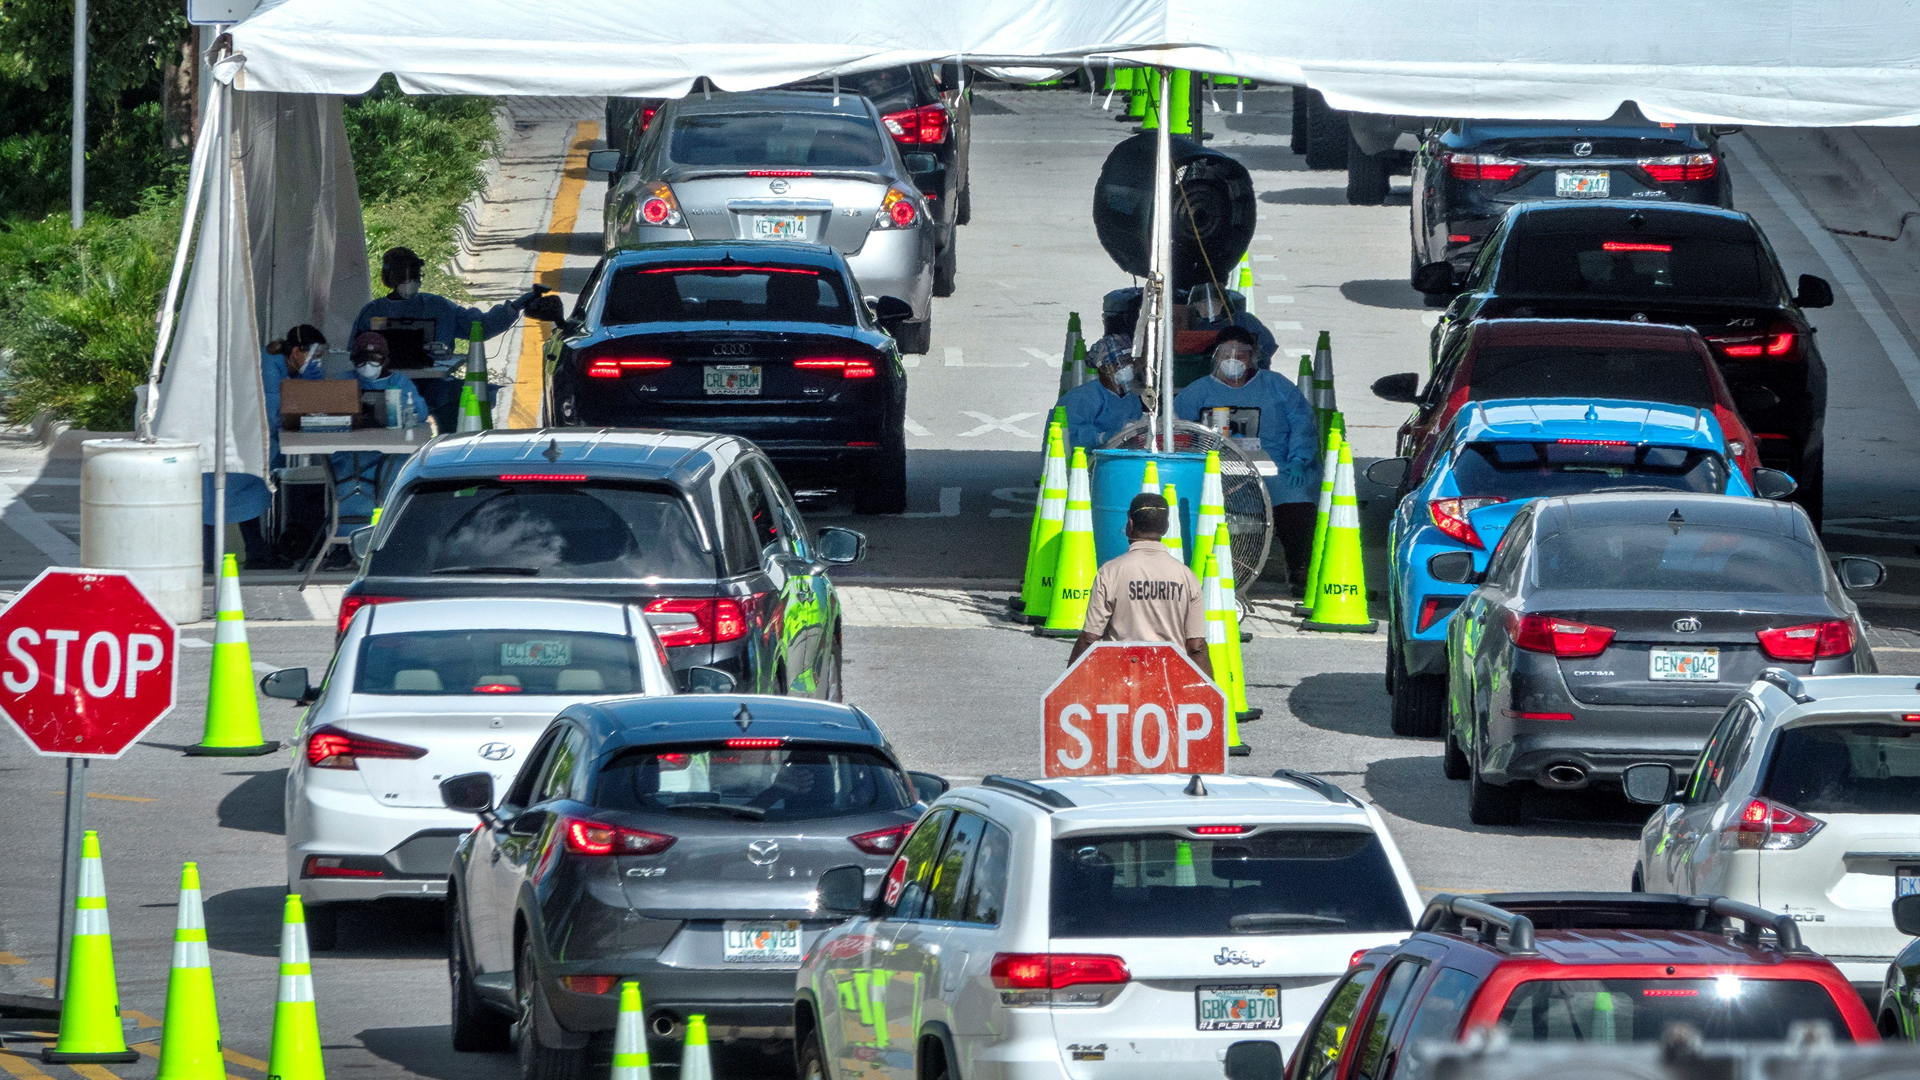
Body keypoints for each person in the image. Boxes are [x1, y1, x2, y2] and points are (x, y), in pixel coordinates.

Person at [1173, 325, 1320, 592]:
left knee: (1297, 500)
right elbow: (1178, 429)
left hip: (1276, 468)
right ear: (1215, 356)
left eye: (1240, 354)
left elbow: (1302, 422)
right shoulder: (1198, 392)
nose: (1233, 360)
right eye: (1226, 353)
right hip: (1216, 469)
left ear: (1252, 356)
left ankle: (1300, 568)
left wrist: (1299, 458)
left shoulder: (1276, 386)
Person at [351, 246, 545, 429]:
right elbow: (354, 353)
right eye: (403, 275)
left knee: (468, 398)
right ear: (388, 277)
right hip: (385, 385)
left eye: (415, 274)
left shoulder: (438, 306)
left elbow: (480, 327)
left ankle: (452, 448)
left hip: (434, 386)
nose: (410, 280)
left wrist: (514, 307)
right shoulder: (372, 312)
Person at [1069, 493, 1213, 678]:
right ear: (1166, 527)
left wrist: (1069, 681)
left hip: (1122, 676)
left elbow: (1090, 638)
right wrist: (1209, 690)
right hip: (1169, 678)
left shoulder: (1110, 572)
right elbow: (1196, 646)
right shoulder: (1187, 577)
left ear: (1130, 524)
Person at [1057, 334, 1146, 450]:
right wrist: (1103, 437)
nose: (1127, 367)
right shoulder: (1084, 397)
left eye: (1128, 362)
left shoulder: (1131, 397)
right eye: (1120, 363)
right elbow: (1072, 434)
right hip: (1084, 458)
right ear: (1104, 368)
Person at [1186, 282, 1279, 370]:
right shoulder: (1190, 324)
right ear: (1195, 305)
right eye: (1203, 302)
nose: (1209, 306)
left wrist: (1252, 360)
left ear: (1222, 303)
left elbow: (1268, 345)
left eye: (1215, 301)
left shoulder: (1244, 319)